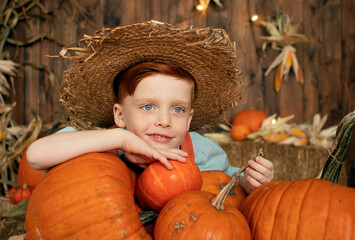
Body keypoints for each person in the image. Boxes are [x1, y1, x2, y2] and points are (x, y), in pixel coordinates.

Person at [27, 20, 274, 195]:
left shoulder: (200, 152)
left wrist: (249, 182)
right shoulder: (104, 146)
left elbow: (228, 182)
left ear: (189, 119)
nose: (164, 120)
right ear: (120, 115)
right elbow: (35, 156)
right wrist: (120, 140)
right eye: (148, 107)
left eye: (177, 110)